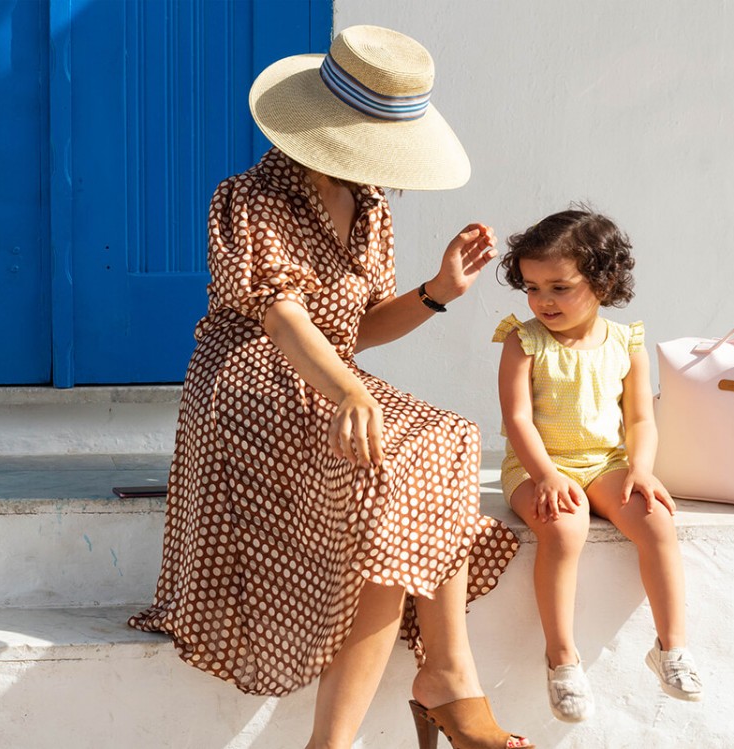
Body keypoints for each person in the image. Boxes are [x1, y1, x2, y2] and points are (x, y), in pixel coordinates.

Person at [130, 25, 533, 749]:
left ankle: (442, 676)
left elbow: (362, 327)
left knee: (445, 439)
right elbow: (282, 318)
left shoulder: (372, 207)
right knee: (394, 471)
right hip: (246, 384)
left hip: (329, 378)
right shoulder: (248, 197)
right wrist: (351, 392)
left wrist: (438, 291)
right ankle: (400, 707)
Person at [493, 207, 703, 723]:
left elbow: (639, 420)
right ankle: (562, 658)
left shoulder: (626, 344)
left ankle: (671, 647)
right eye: (532, 286)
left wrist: (642, 468)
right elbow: (517, 419)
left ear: (603, 281)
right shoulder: (524, 341)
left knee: (656, 521)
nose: (543, 300)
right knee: (565, 530)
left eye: (559, 287)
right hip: (537, 465)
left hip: (605, 463)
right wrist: (545, 475)